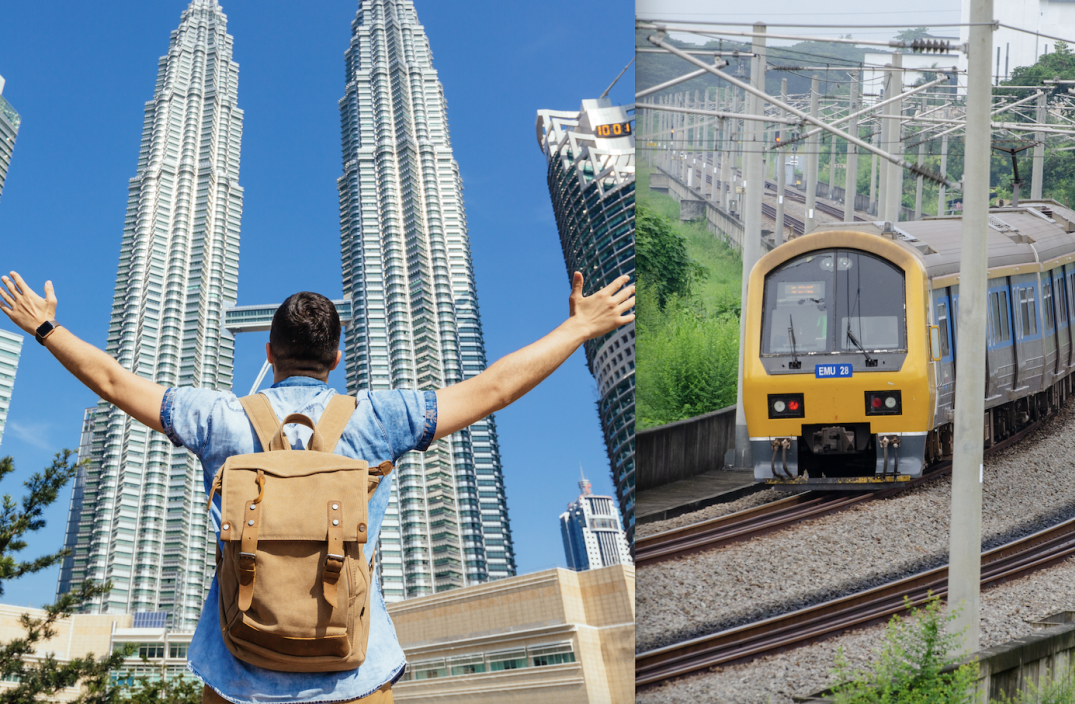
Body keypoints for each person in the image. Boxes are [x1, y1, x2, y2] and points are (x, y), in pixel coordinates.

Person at [0, 269, 635, 704]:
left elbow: (113, 381)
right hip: (355, 672)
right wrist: (578, 327)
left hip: (235, 674)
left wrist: (46, 328)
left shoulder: (218, 416)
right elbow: (494, 388)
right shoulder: (378, 417)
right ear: (336, 359)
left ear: (270, 353)